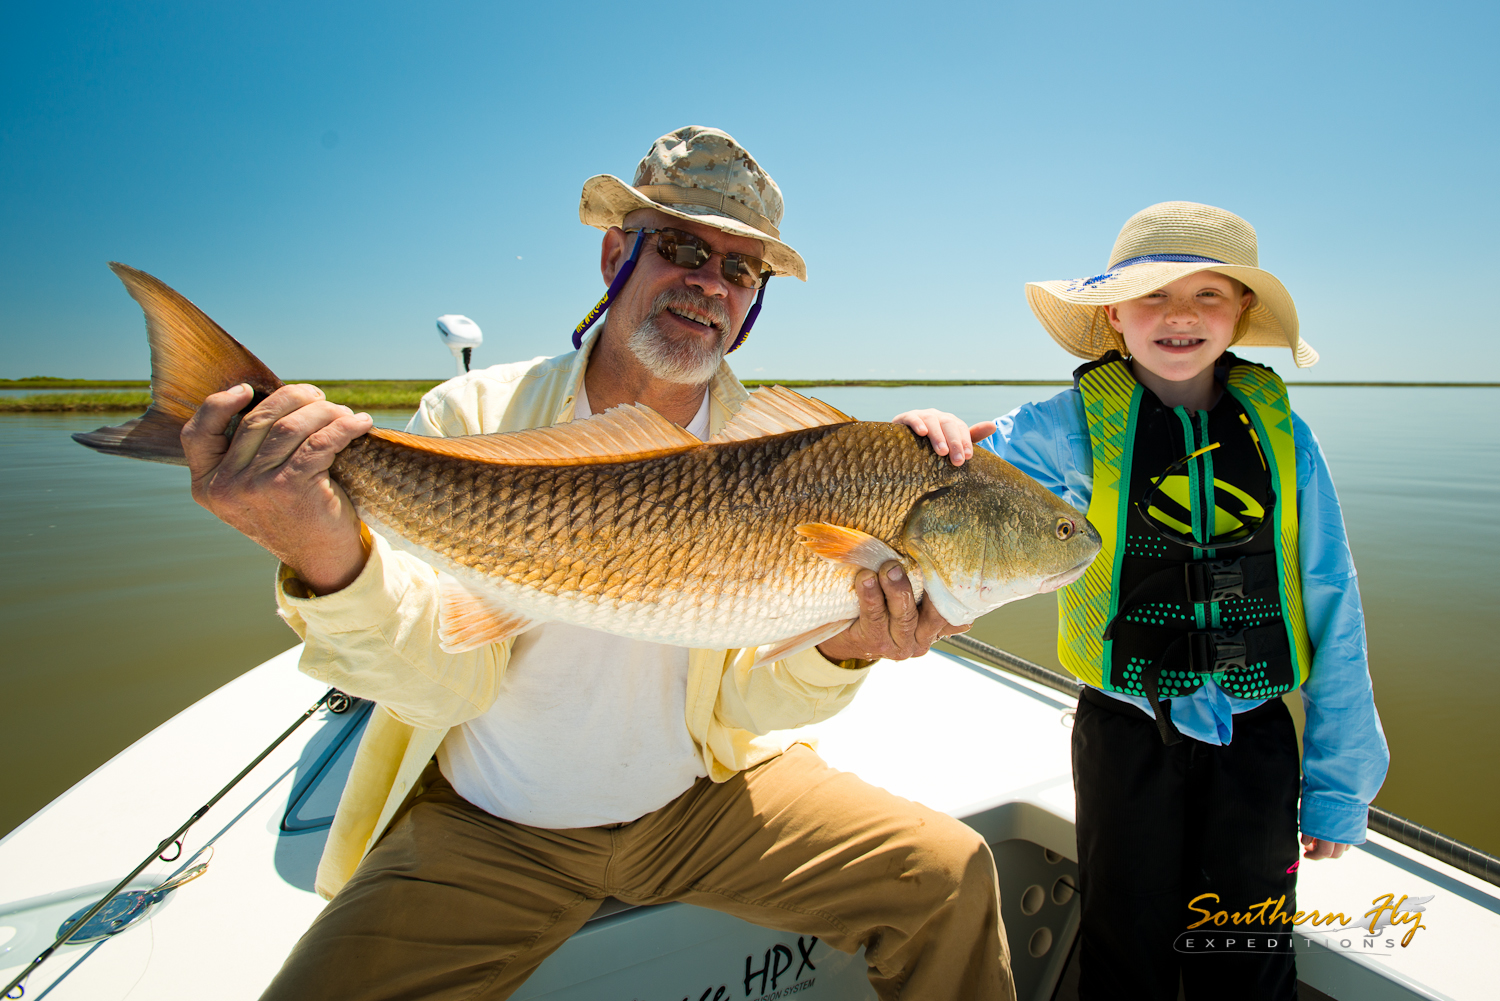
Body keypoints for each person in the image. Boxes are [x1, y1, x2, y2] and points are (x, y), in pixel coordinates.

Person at [178, 126, 1013, 1001]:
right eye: (684, 247)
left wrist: (845, 645)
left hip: (702, 801)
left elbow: (746, 703)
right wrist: (318, 545)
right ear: (618, 252)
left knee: (948, 878)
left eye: (739, 270)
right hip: (493, 827)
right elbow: (441, 686)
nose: (709, 284)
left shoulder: (804, 448)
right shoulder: (475, 413)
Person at [900, 202, 1388, 1000]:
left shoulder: (1286, 437)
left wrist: (1339, 785)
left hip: (1257, 742)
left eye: (1207, 295)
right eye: (1153, 295)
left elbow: (1335, 602)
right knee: (1125, 950)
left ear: (1240, 313)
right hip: (1124, 730)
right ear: (1114, 315)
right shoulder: (1060, 430)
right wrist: (930, 431)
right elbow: (947, 479)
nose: (1179, 316)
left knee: (1249, 955)